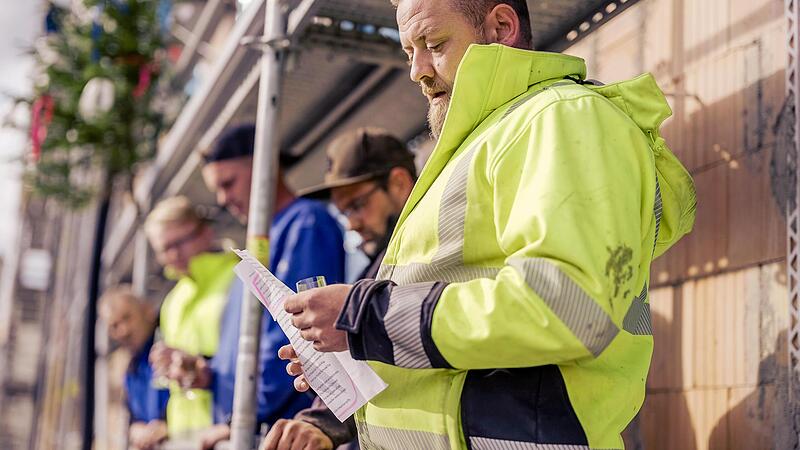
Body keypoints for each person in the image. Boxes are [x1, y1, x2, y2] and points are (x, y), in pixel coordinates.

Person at [277, 1, 697, 449]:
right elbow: (459, 353)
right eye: (408, 53)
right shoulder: (487, 144)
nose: (418, 71)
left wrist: (366, 321)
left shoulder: (560, 117)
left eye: (434, 44)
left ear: (500, 27)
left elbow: (566, 309)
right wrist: (357, 359)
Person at [159, 124, 347, 449]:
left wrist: (240, 419)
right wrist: (208, 372)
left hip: (281, 433)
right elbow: (250, 346)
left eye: (228, 183)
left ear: (265, 166)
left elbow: (294, 336)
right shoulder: (264, 241)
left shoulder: (305, 223)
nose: (223, 199)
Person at [261, 127, 417, 450]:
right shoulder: (377, 268)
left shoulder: (427, 255)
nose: (350, 223)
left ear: (399, 184)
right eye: (343, 211)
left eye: (357, 205)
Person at [144, 195, 239, 438]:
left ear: (206, 232)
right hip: (185, 435)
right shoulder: (171, 302)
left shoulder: (238, 277)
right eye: (165, 249)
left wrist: (199, 366)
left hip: (229, 427)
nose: (174, 255)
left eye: (181, 242)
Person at [98, 286, 168, 450]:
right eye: (114, 326)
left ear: (147, 311)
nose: (123, 330)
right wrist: (135, 430)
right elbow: (134, 418)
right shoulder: (131, 372)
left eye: (127, 317)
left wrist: (167, 427)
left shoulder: (170, 344)